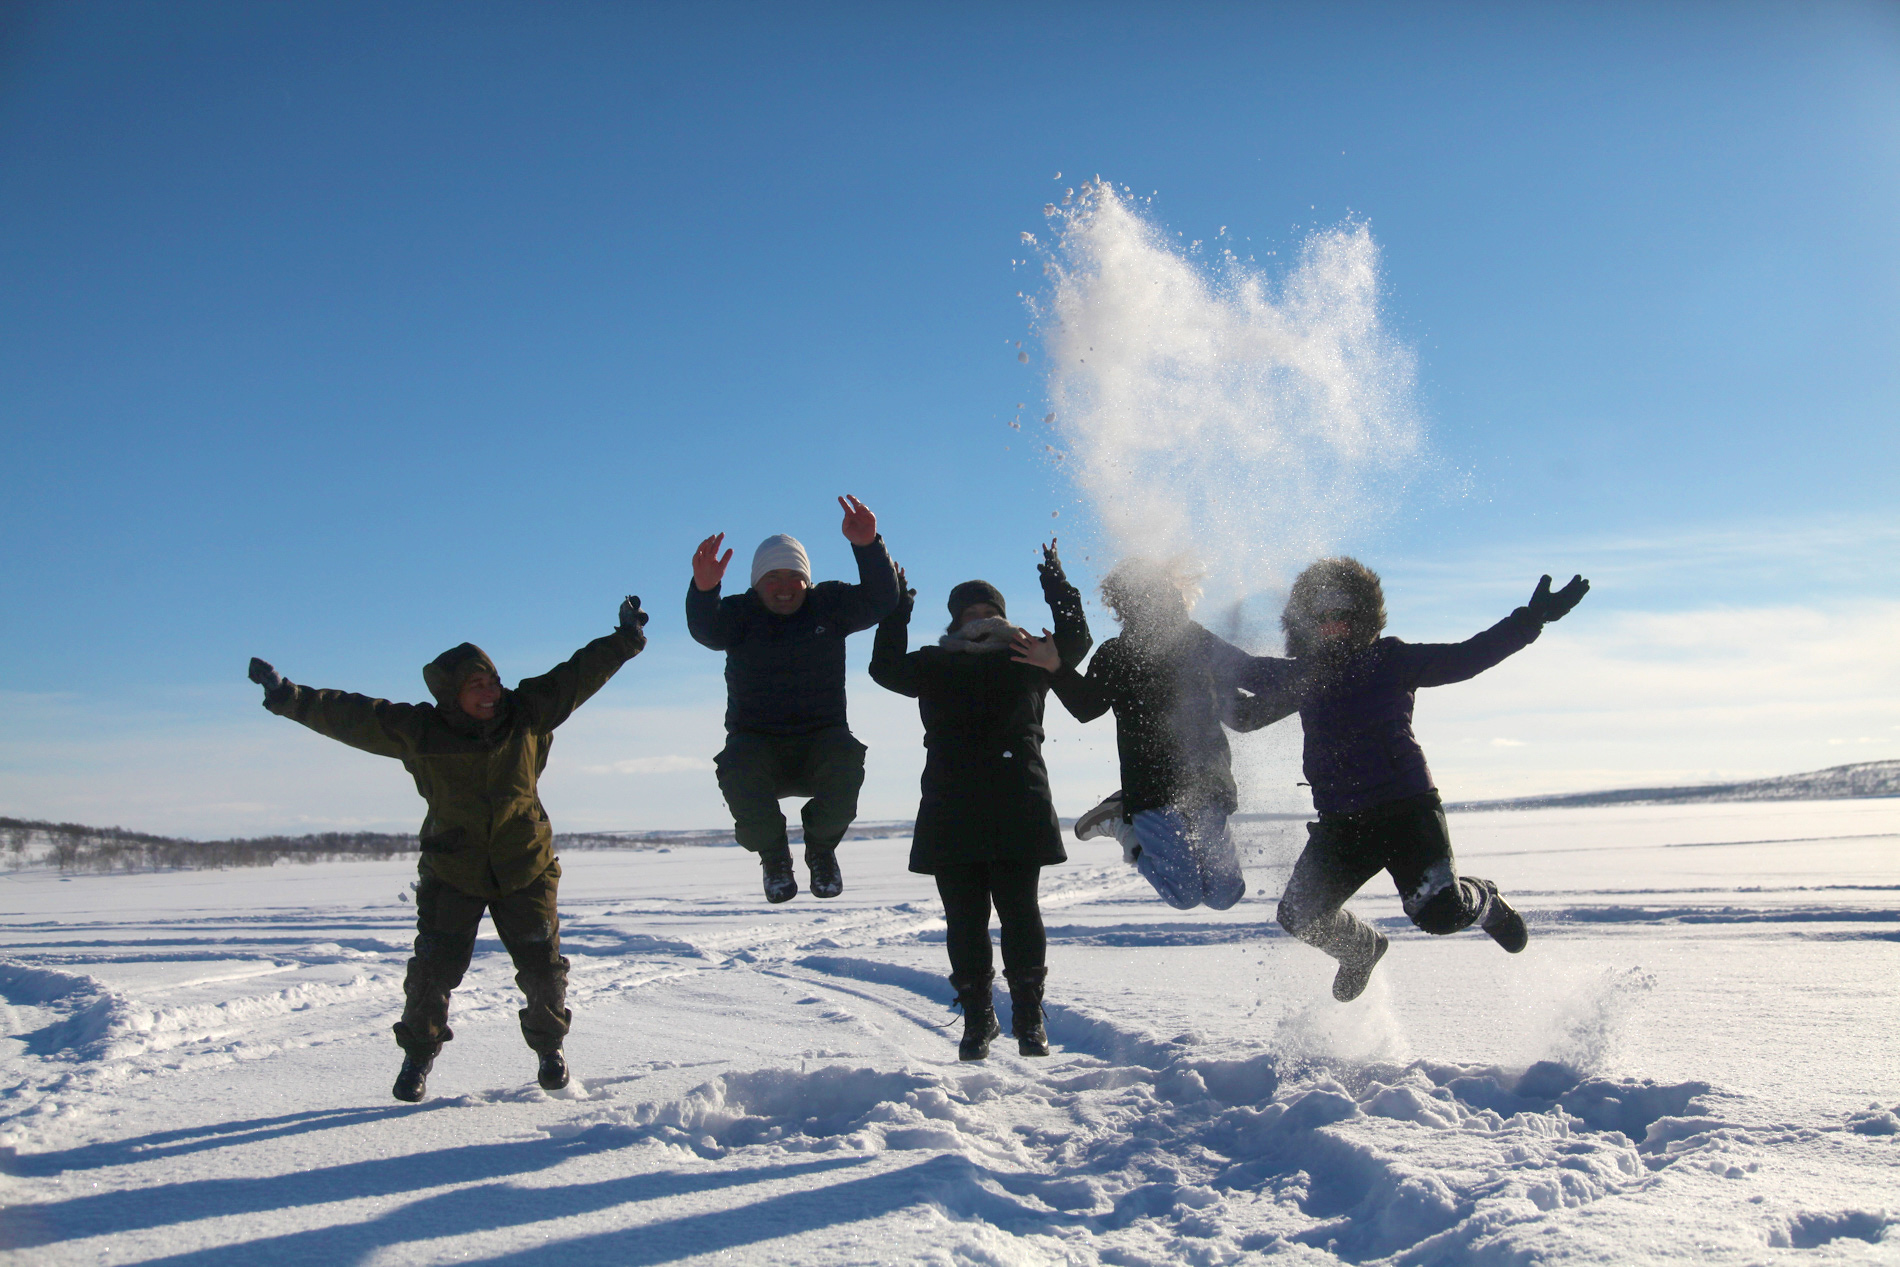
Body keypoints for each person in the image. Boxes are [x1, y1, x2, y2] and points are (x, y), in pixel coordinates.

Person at [246, 596, 649, 1102]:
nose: (489, 693)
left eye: (492, 682)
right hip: (452, 869)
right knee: (432, 974)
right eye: (475, 686)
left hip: (524, 865)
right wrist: (287, 696)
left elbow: (577, 675)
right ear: (450, 695)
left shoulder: (527, 712)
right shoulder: (421, 731)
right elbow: (351, 715)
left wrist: (625, 639)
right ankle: (417, 1056)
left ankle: (550, 1049)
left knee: (543, 970)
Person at [1234, 559, 1589, 1002]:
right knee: (1299, 915)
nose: (1330, 625)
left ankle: (1486, 900)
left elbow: (1467, 657)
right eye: (1319, 616)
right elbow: (1243, 697)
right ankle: (1362, 949)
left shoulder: (1392, 660)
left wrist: (1530, 620)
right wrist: (1178, 640)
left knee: (1441, 914)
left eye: (1341, 614)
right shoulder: (1303, 676)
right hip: (1343, 825)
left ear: (1363, 615)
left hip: (1406, 812)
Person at [869, 543, 1090, 1060]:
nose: (981, 619)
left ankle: (1029, 1020)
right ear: (954, 621)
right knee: (964, 919)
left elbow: (1075, 640)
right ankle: (977, 1020)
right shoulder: (934, 663)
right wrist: (897, 609)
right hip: (952, 806)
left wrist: (1058, 586)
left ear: (1003, 615)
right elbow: (884, 668)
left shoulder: (1029, 654)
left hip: (1018, 800)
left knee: (1020, 911)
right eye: (970, 613)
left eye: (989, 611)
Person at [686, 495, 898, 903]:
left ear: (807, 580)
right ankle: (774, 858)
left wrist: (868, 546)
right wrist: (704, 589)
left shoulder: (828, 606)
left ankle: (821, 850)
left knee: (846, 762)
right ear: (756, 582)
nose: (784, 587)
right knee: (737, 769)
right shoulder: (741, 615)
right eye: (772, 577)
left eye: (793, 576)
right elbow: (706, 629)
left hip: (822, 739)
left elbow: (881, 600)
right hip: (756, 742)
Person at [1046, 557, 1276, 911]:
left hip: (1207, 784)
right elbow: (1086, 707)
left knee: (1225, 894)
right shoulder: (1117, 653)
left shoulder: (1197, 642)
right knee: (1184, 895)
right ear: (1124, 603)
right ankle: (1122, 826)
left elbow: (1247, 683)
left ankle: (1125, 821)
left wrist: (1308, 681)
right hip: (1152, 788)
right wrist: (1055, 667)